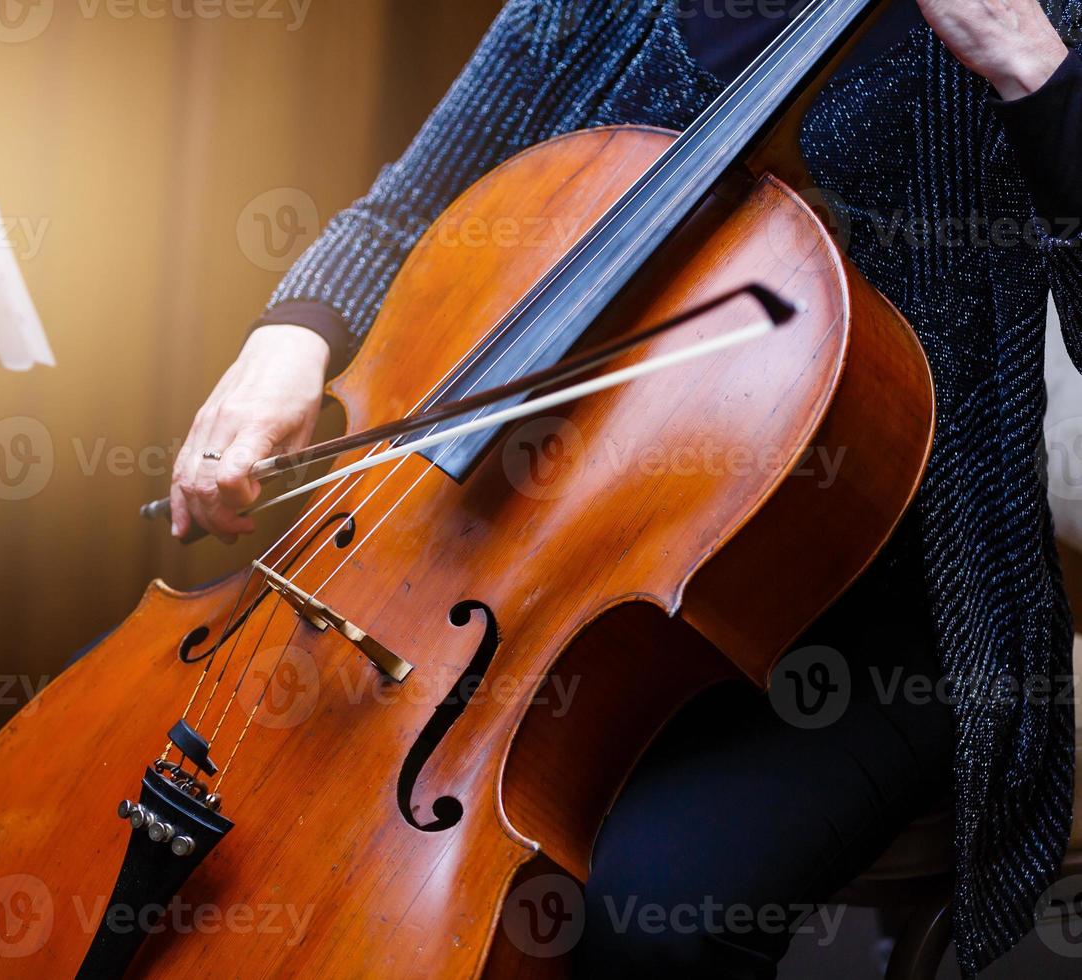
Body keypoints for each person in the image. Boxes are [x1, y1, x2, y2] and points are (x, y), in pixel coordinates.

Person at [168, 1, 1082, 976]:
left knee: (652, 916)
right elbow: (414, 200)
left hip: (858, 608)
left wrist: (1032, 65)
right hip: (524, 543)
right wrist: (288, 338)